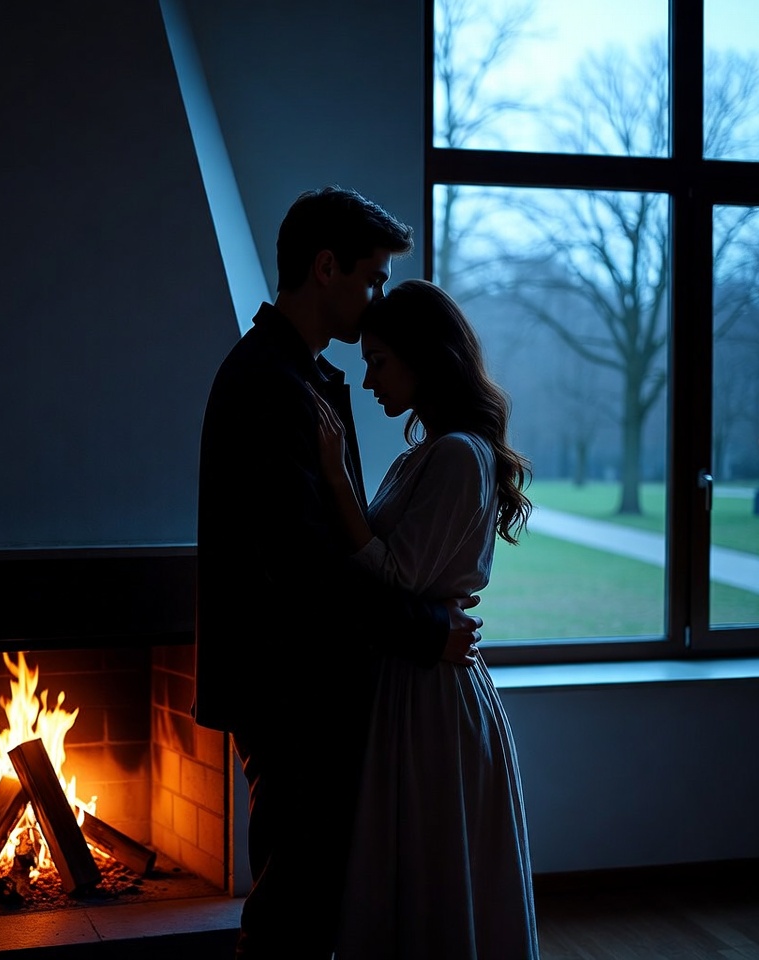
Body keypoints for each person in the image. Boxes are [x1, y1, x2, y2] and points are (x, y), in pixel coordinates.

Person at [193, 187, 484, 960]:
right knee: (295, 908)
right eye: (372, 277)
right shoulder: (271, 385)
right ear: (326, 268)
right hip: (292, 687)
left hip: (306, 683)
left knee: (310, 898)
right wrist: (427, 632)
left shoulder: (301, 378)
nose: (379, 296)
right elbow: (308, 569)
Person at [311, 279, 540, 959]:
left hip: (432, 698)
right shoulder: (430, 454)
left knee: (431, 872)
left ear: (423, 358)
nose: (368, 377)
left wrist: (332, 476)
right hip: (414, 682)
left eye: (380, 360)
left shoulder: (458, 455)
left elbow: (391, 574)